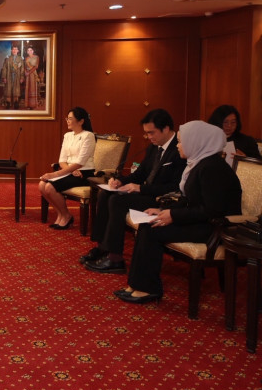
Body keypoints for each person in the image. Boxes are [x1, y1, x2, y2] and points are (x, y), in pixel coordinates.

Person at [115, 121, 242, 304]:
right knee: (148, 224)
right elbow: (190, 200)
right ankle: (136, 285)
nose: (177, 145)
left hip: (215, 227)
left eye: (181, 142)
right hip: (201, 220)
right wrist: (163, 210)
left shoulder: (212, 168)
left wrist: (173, 216)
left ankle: (147, 288)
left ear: (196, 142)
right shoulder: (198, 163)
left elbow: (212, 210)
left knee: (151, 230)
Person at [82, 109, 186, 273]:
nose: (149, 137)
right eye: (146, 133)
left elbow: (176, 187)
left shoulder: (180, 149)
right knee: (106, 194)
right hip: (147, 192)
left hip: (162, 199)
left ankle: (115, 258)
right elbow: (140, 173)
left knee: (117, 201)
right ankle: (102, 246)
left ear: (166, 129)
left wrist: (140, 188)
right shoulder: (154, 147)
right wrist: (120, 181)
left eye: (151, 132)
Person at [38, 107, 96, 230]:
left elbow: (80, 163)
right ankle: (61, 214)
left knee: (49, 187)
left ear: (81, 121)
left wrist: (54, 174)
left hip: (84, 173)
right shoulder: (67, 135)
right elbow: (62, 160)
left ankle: (66, 216)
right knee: (42, 185)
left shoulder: (88, 136)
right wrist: (71, 170)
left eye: (70, 118)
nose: (67, 121)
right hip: (71, 170)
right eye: (67, 118)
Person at [1, 43, 24, 109]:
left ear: (18, 50)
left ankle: (16, 103)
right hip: (9, 76)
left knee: (16, 89)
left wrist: (22, 77)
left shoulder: (20, 59)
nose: (14, 50)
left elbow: (22, 69)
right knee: (8, 89)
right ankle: (8, 103)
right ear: (11, 50)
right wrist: (4, 77)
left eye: (16, 49)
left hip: (17, 76)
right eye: (13, 49)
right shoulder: (7, 58)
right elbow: (4, 68)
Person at [23, 45, 40, 109]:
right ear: (27, 52)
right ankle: (27, 104)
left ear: (33, 51)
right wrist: (25, 72)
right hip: (27, 75)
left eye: (31, 50)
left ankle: (33, 105)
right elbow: (24, 66)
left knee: (32, 88)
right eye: (28, 50)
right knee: (28, 88)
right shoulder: (26, 58)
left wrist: (29, 72)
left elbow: (36, 66)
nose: (29, 51)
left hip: (33, 74)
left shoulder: (36, 57)